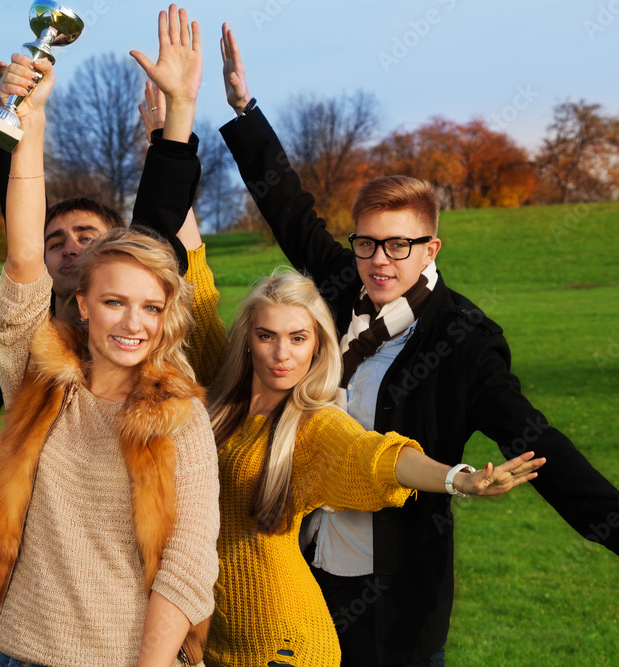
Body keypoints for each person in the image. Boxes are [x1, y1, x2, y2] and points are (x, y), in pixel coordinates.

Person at [215, 23, 619, 666]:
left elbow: (535, 439)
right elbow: (290, 210)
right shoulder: (338, 289)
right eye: (367, 242)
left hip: (392, 594)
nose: (380, 260)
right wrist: (245, 111)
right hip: (299, 573)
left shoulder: (463, 340)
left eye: (400, 245)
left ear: (431, 248)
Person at [133, 39, 544, 667]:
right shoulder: (218, 387)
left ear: (318, 348)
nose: (279, 352)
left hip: (287, 644)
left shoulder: (314, 425)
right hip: (214, 637)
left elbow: (381, 459)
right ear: (248, 337)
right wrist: (171, 138)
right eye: (267, 335)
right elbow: (195, 272)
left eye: (299, 339)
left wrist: (459, 479)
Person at [0, 7, 209, 665]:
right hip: (18, 606)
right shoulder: (33, 353)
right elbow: (20, 242)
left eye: (89, 237)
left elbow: (157, 228)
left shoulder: (165, 384)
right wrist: (24, 117)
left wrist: (181, 114)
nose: (72, 246)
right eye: (59, 239)